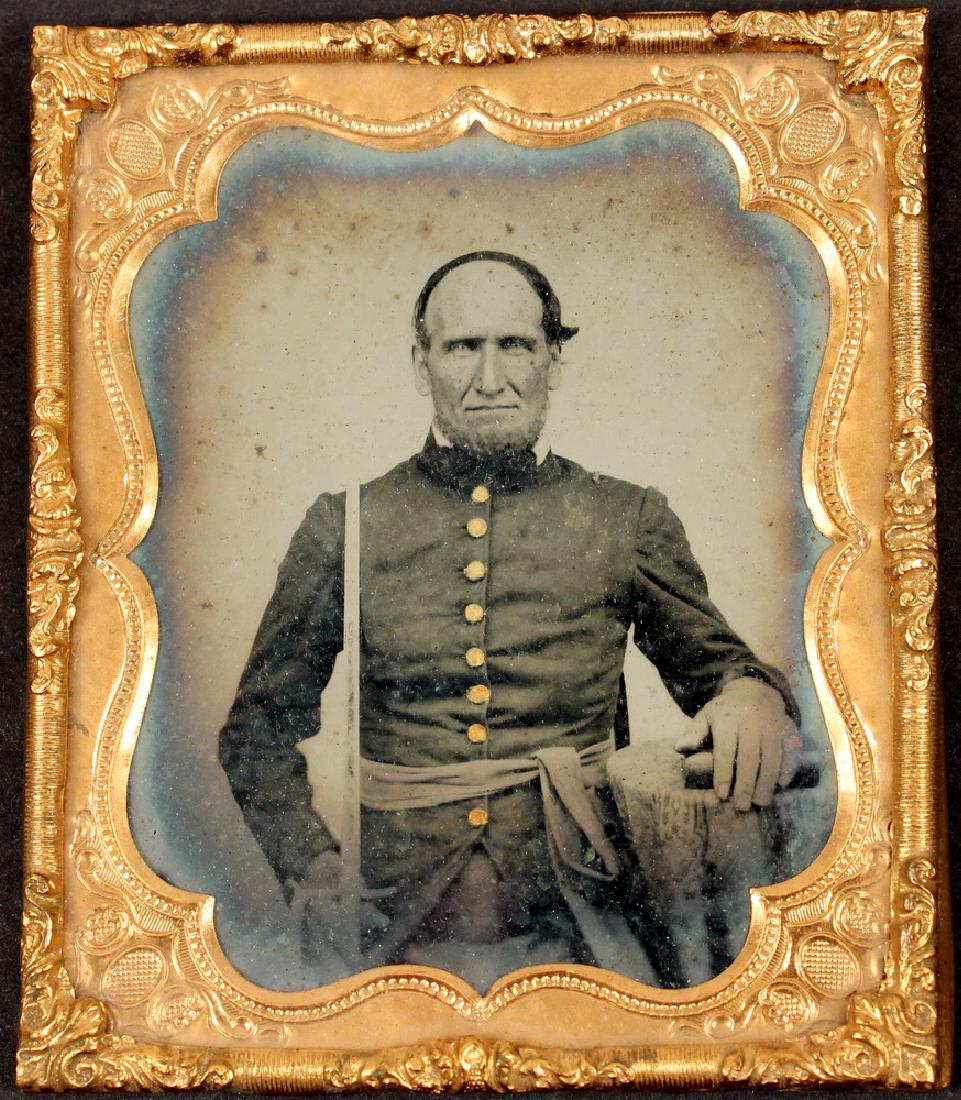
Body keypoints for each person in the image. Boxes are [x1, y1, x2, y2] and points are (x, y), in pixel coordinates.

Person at [218, 250, 801, 990]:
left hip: (588, 929)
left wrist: (747, 694)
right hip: (384, 938)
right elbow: (256, 727)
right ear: (420, 361)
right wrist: (313, 866)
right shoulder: (345, 524)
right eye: (462, 347)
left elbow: (719, 670)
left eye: (516, 345)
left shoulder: (625, 518)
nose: (489, 378)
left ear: (552, 359)